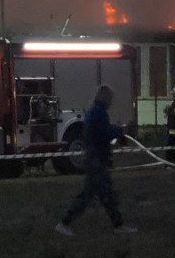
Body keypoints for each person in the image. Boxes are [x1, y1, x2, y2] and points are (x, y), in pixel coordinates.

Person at [56, 84, 137, 236]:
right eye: (111, 98)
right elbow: (104, 133)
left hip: (94, 159)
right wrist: (120, 130)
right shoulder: (100, 113)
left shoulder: (94, 112)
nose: (112, 102)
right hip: (97, 161)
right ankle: (64, 223)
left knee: (106, 195)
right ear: (106, 98)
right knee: (90, 196)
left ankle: (118, 225)